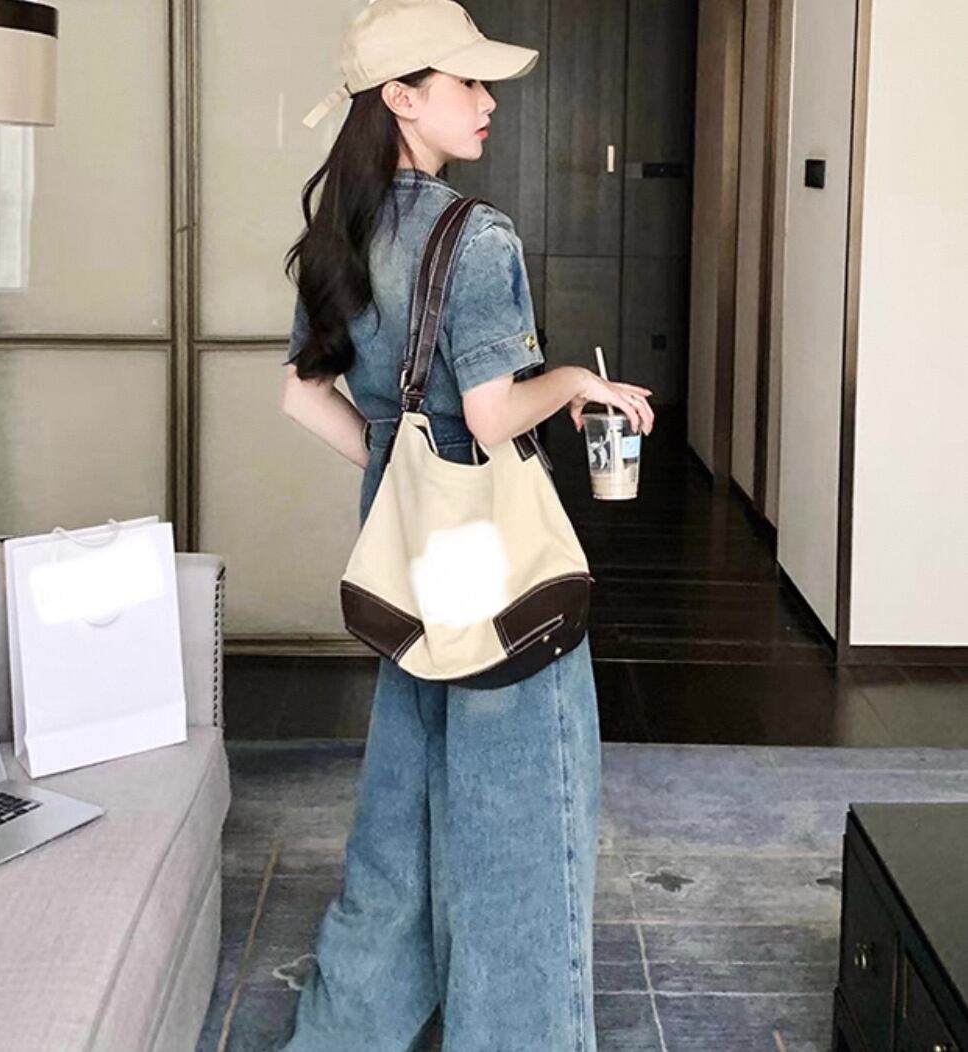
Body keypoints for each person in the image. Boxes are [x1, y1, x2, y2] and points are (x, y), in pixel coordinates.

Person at [279, 2, 655, 1048]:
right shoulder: (474, 236)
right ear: (401, 97)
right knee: (522, 822)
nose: (489, 102)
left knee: (401, 809)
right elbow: (491, 416)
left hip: (405, 562)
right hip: (490, 565)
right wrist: (574, 381)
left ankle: (347, 1031)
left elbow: (302, 397)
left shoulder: (341, 229)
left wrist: (399, 468)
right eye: (467, 82)